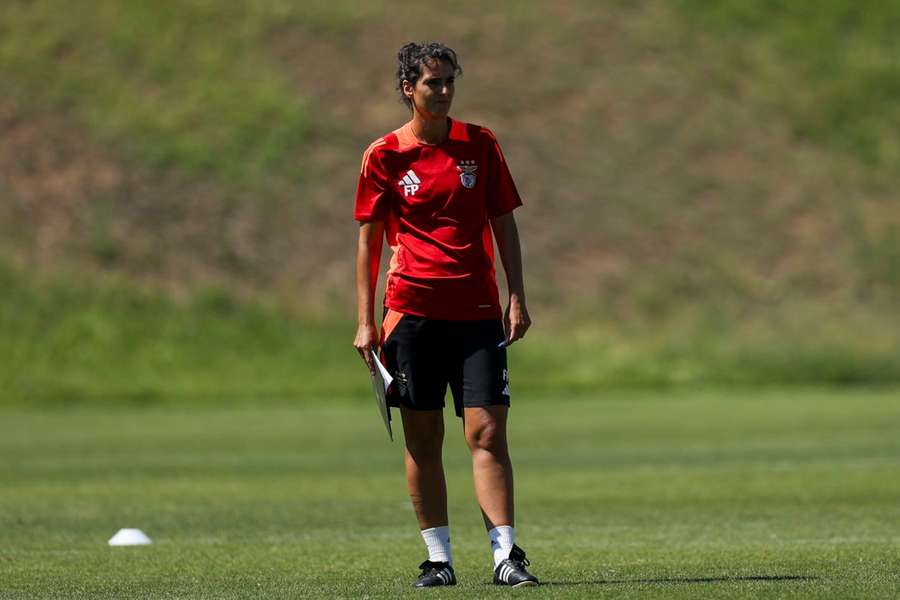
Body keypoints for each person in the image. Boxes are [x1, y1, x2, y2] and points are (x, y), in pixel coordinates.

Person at [353, 41, 538, 589]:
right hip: (410, 314)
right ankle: (438, 559)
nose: (444, 91)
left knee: (487, 432)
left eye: (450, 81)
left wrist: (517, 295)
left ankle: (507, 556)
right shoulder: (384, 155)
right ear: (408, 88)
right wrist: (367, 321)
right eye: (433, 82)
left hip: (477, 313)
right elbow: (367, 246)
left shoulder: (480, 144)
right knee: (423, 436)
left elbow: (504, 222)